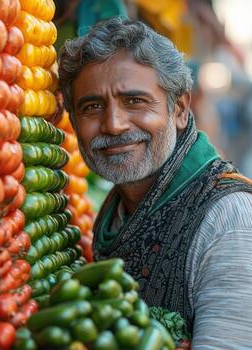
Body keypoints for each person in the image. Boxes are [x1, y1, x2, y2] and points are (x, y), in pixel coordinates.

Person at [58, 17, 252, 349]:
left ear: (178, 109)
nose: (114, 125)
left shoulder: (228, 219)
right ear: (73, 122)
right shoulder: (117, 209)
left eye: (135, 101)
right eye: (92, 107)